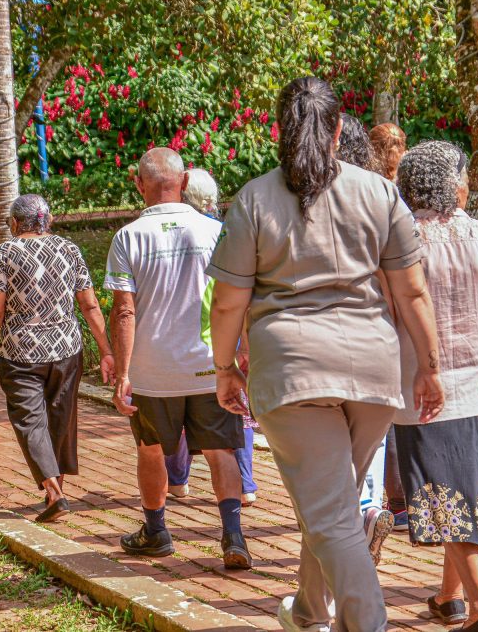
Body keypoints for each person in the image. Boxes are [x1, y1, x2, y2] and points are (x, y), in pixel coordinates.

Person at [207, 76, 443, 632]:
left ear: (279, 130)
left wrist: (224, 368)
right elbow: (412, 292)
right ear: (338, 131)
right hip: (374, 369)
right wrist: (430, 369)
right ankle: (310, 612)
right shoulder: (379, 192)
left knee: (331, 514)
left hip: (293, 370)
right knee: (333, 503)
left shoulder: (254, 199)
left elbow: (228, 302)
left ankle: (368, 624)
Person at [106, 148, 251, 568]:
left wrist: (123, 373)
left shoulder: (128, 237)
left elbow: (125, 311)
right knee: (222, 451)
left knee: (151, 449)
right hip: (211, 367)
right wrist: (243, 351)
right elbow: (238, 297)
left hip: (153, 374)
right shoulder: (215, 231)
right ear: (184, 182)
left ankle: (156, 531)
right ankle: (234, 536)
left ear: (139, 184)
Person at [394, 141, 478, 632]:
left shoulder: (402, 239)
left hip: (423, 387)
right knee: (461, 488)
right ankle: (450, 597)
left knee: (446, 494)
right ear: (452, 184)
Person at [0, 194, 114, 523]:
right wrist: (106, 350)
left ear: (14, 223)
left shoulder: (6, 252)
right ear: (48, 220)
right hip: (66, 350)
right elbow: (89, 305)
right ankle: (58, 489)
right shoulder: (69, 249)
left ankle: (54, 493)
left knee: (30, 420)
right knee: (60, 417)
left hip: (21, 353)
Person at [162, 169, 259, 506]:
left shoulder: (170, 232)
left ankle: (177, 480)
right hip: (226, 332)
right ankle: (245, 484)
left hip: (182, 335)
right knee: (237, 410)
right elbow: (242, 291)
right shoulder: (223, 232)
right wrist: (245, 342)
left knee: (179, 410)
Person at [336, 113, 395, 563]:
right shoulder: (383, 197)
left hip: (321, 335)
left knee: (329, 438)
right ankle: (368, 507)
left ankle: (349, 517)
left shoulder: (304, 197)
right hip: (376, 334)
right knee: (370, 436)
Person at [367, 122, 411, 525]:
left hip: (374, 307)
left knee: (378, 411)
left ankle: (380, 500)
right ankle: (401, 500)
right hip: (405, 302)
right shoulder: (407, 193)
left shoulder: (364, 190)